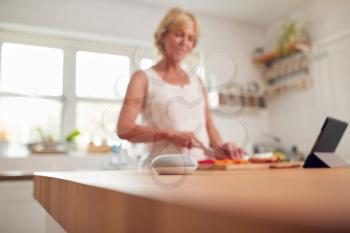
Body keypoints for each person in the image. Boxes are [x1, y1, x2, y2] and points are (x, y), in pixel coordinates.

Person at [117, 7, 245, 168]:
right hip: (162, 172)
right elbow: (124, 129)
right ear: (162, 35)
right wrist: (169, 134)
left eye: (191, 38)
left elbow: (209, 127)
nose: (185, 43)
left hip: (202, 169)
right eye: (179, 34)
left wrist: (221, 146)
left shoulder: (197, 81)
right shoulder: (142, 78)